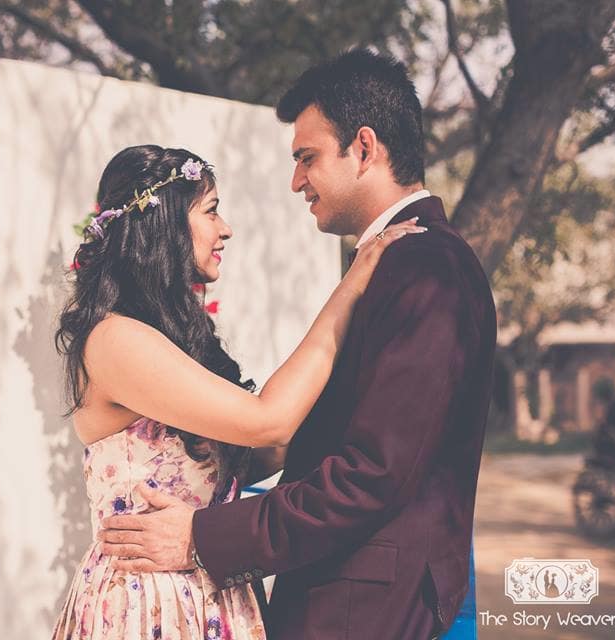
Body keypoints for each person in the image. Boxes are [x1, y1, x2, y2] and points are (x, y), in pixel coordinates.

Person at [100, 50, 498, 640]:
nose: (296, 182)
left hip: (368, 614)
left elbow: (371, 475)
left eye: (306, 158)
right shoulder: (391, 263)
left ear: (364, 148)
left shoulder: (424, 265)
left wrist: (201, 537)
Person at [50, 144, 424, 639]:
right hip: (150, 604)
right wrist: (351, 286)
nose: (225, 228)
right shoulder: (116, 340)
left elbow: (262, 451)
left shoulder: (163, 337)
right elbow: (269, 420)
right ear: (162, 225)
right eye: (210, 211)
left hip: (205, 588)